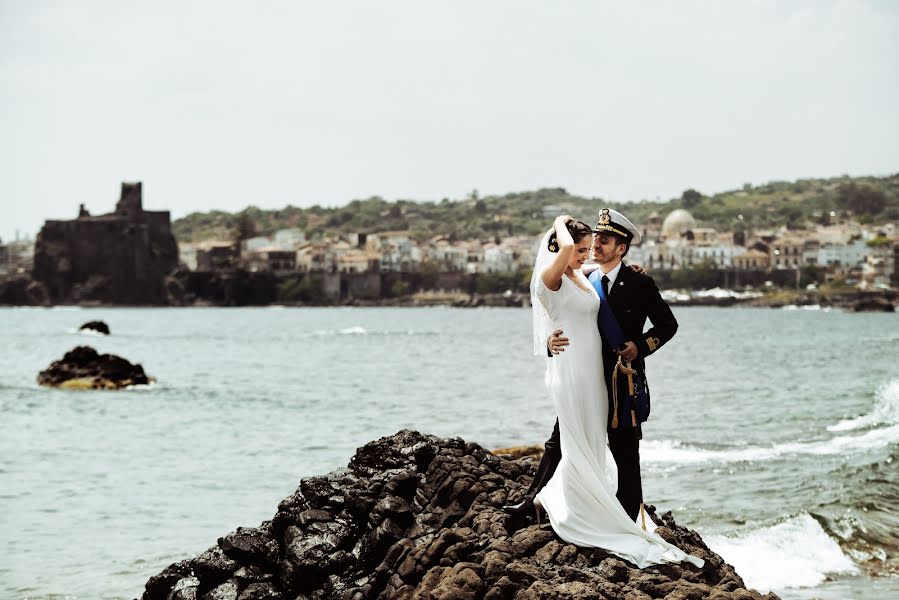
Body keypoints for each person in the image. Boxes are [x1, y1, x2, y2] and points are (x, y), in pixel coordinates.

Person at [514, 211, 701, 568]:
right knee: (560, 441)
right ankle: (533, 499)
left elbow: (668, 324)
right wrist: (548, 340)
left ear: (622, 247)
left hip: (620, 380)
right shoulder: (586, 275)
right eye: (593, 240)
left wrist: (641, 346)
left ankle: (629, 521)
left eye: (603, 241)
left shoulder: (639, 283)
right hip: (582, 377)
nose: (595, 247)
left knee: (625, 451)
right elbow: (552, 303)